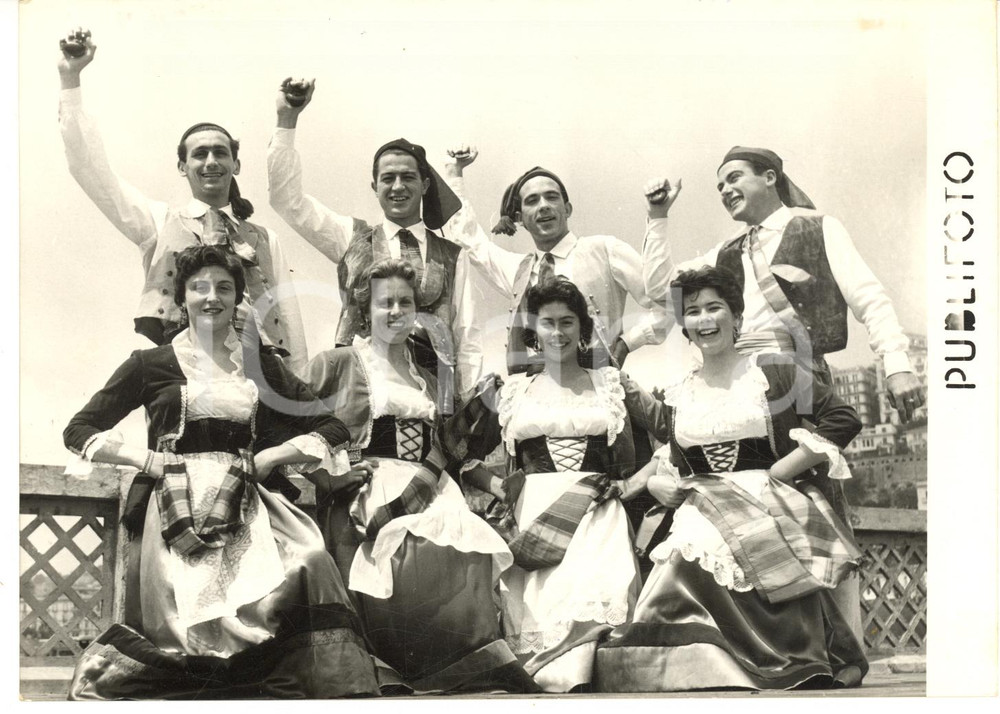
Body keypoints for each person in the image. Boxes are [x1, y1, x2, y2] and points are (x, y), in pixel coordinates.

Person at [62, 245, 379, 699]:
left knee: (310, 555)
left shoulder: (260, 365)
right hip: (175, 504)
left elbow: (329, 425)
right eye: (199, 287)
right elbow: (79, 430)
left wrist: (271, 457)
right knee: (191, 607)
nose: (212, 297)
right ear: (181, 297)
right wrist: (148, 460)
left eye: (224, 288)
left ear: (237, 298)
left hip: (245, 495)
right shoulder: (149, 364)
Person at [594, 266, 868, 692]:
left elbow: (842, 418)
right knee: (683, 559)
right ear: (685, 327)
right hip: (702, 507)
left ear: (737, 317)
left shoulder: (773, 372)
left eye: (714, 308)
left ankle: (768, 659)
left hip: (768, 503)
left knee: (717, 558)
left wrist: (781, 470)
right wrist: (656, 483)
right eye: (693, 312)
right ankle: (694, 665)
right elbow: (676, 457)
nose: (704, 319)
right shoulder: (680, 392)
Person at [300, 258, 537, 695]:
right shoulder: (336, 363)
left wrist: (495, 484)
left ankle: (465, 665)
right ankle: (403, 666)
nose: (395, 311)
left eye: (405, 303)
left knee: (466, 544)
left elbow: (450, 454)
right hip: (369, 490)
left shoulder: (429, 378)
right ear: (364, 310)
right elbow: (288, 427)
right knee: (412, 555)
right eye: (384, 302)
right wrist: (328, 478)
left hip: (431, 487)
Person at [57, 30, 308, 371]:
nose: (211, 162)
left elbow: (290, 323)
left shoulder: (265, 239)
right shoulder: (159, 222)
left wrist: (296, 390)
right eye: (199, 154)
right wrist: (70, 80)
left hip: (258, 372)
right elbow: (90, 170)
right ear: (182, 167)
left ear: (236, 165)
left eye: (220, 153)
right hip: (184, 370)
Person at [446, 277, 646, 693]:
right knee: (544, 613)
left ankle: (587, 678)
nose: (558, 332)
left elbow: (670, 433)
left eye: (567, 321)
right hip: (535, 517)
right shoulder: (511, 392)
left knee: (597, 595)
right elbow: (458, 450)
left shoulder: (610, 385)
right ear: (533, 330)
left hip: (596, 514)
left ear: (582, 327)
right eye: (548, 322)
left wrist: (633, 485)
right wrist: (496, 485)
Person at [642, 146, 924, 419]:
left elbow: (869, 298)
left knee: (806, 452)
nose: (725, 190)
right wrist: (658, 215)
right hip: (737, 382)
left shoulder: (819, 228)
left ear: (769, 177)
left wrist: (897, 365)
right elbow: (660, 289)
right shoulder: (723, 252)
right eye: (720, 187)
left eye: (734, 178)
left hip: (800, 379)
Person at [267, 80, 482, 408]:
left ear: (425, 185)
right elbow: (288, 201)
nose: (398, 187)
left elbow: (467, 337)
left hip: (434, 399)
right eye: (388, 178)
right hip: (360, 395)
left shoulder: (453, 256)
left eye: (408, 177)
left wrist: (468, 408)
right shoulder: (350, 237)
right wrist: (287, 119)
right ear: (374, 186)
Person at [444, 147, 673, 375]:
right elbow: (470, 241)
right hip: (534, 389)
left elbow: (671, 300)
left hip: (598, 385)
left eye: (552, 197)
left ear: (567, 209)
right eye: (532, 200)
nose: (544, 205)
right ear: (520, 219)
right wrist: (455, 174)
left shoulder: (605, 250)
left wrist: (628, 343)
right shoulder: (519, 271)